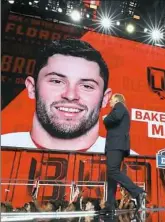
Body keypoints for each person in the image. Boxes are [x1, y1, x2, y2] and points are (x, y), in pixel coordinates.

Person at [1, 39, 138, 154]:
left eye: (87, 86)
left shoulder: (134, 165)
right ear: (31, 88)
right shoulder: (4, 146)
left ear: (105, 98)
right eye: (56, 81)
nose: (71, 95)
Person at [100, 93, 146, 215]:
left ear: (116, 100)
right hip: (116, 145)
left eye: (111, 100)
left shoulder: (119, 106)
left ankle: (137, 191)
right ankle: (110, 205)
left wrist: (106, 118)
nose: (109, 103)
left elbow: (114, 118)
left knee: (113, 171)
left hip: (116, 145)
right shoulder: (120, 109)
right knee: (111, 176)